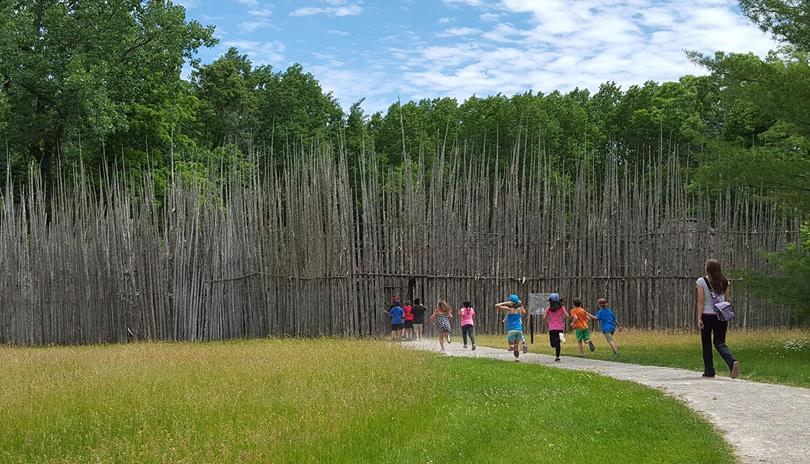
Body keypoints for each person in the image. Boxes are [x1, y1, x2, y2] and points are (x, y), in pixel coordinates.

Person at [696, 259, 740, 379]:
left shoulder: (701, 281)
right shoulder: (724, 281)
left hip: (707, 315)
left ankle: (709, 371)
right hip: (721, 315)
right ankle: (732, 362)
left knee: (707, 343)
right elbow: (725, 298)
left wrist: (699, 318)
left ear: (708, 268)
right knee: (720, 343)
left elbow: (700, 301)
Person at [496, 294, 527, 361]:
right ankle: (517, 358)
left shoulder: (509, 309)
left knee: (511, 346)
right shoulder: (519, 308)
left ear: (510, 302)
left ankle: (513, 348)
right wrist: (521, 304)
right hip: (519, 329)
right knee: (516, 345)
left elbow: (497, 305)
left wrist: (506, 303)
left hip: (511, 330)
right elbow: (524, 312)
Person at [542, 293, 569, 362]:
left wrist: (547, 323)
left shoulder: (549, 308)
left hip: (552, 328)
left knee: (553, 344)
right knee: (557, 343)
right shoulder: (562, 307)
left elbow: (544, 317)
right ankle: (557, 357)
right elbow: (567, 315)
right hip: (560, 327)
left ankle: (560, 339)